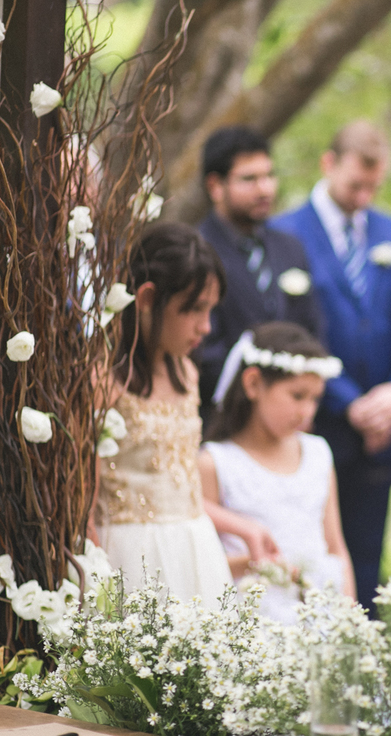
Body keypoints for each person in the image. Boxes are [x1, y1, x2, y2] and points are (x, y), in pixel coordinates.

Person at [272, 121, 391, 607]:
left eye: (374, 186)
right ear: (329, 164)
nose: (364, 196)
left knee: (367, 560)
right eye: (354, 185)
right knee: (308, 555)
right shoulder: (285, 234)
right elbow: (291, 330)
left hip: (384, 432)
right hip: (316, 423)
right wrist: (352, 404)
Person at [93, 222, 234, 602]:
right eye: (193, 310)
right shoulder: (101, 380)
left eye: (210, 311)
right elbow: (82, 504)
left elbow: (181, 484)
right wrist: (95, 581)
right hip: (129, 556)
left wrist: (241, 527)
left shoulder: (186, 372)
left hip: (195, 548)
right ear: (147, 298)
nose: (205, 327)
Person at [199, 321, 357, 624]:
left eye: (315, 399)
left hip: (320, 611)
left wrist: (349, 615)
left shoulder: (318, 453)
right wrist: (253, 564)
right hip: (254, 618)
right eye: (297, 396)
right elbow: (201, 561)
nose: (307, 411)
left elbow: (335, 546)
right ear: (253, 384)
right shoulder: (215, 463)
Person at [197, 126, 323, 431]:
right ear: (215, 186)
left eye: (269, 175)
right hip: (225, 423)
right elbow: (202, 348)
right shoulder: (197, 251)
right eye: (249, 179)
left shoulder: (290, 247)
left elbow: (314, 328)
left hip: (294, 424)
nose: (265, 189)